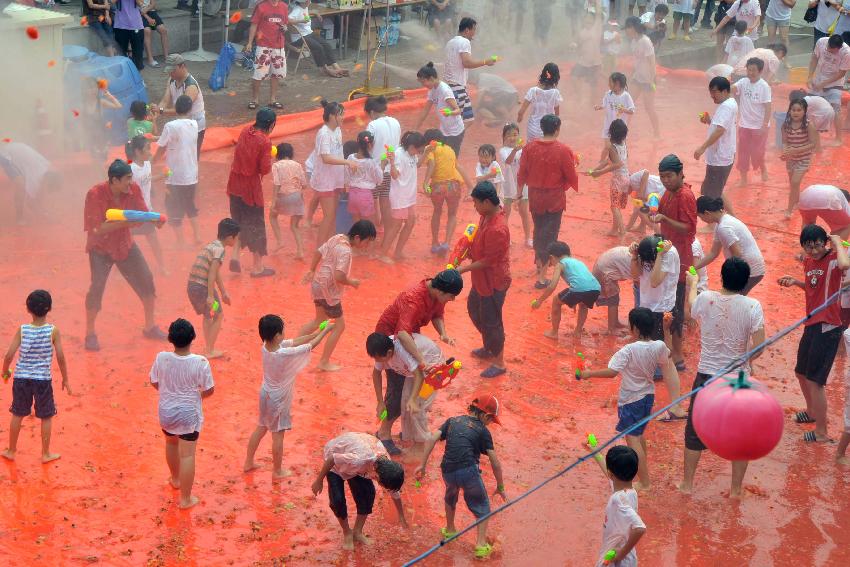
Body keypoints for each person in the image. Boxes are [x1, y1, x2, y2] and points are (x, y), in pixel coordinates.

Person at [680, 258, 766, 497]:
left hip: (707, 374)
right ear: (745, 282)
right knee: (741, 435)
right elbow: (760, 346)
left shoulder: (705, 298)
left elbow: (689, 310)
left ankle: (687, 484)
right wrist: (747, 362)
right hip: (738, 379)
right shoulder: (752, 306)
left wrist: (694, 282)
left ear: (722, 277)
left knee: (694, 430)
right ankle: (736, 489)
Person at [581, 307, 677, 490]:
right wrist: (666, 330)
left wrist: (588, 374)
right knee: (639, 437)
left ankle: (645, 482)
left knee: (632, 440)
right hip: (648, 397)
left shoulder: (628, 350)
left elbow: (611, 373)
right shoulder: (658, 346)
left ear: (635, 329)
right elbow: (669, 352)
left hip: (631, 399)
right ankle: (643, 473)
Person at [374, 270, 463, 454]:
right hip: (392, 341)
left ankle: (402, 430)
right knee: (397, 391)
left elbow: (437, 315)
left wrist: (443, 334)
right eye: (452, 296)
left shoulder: (436, 294)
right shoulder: (413, 299)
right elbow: (402, 334)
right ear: (441, 291)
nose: (452, 300)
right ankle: (383, 433)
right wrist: (421, 361)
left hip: (408, 340)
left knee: (407, 391)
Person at [83, 160, 165, 351]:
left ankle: (150, 326)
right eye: (127, 178)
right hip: (100, 248)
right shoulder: (95, 194)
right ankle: (90, 333)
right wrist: (127, 221)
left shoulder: (133, 189)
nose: (131, 182)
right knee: (97, 287)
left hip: (124, 244)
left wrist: (154, 220)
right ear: (114, 180)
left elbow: (143, 213)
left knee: (146, 278)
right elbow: (97, 228)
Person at [778, 226, 849, 443]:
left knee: (815, 381)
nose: (814, 250)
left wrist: (837, 241)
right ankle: (811, 412)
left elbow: (846, 265)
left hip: (828, 325)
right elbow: (813, 288)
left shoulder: (836, 258)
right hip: (812, 322)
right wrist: (796, 282)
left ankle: (821, 431)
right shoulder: (808, 262)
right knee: (801, 372)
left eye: (818, 244)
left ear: (824, 242)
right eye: (809, 246)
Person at [415, 393, 506, 560]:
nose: (491, 424)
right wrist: (500, 486)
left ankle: (450, 530)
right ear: (485, 415)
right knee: (482, 505)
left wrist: (422, 464)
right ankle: (480, 545)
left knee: (451, 494)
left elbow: (432, 438)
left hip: (447, 470)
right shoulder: (483, 430)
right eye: (492, 420)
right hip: (468, 471)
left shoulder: (452, 421)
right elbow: (495, 462)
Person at [244, 314, 333, 478]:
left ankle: (248, 462)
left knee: (261, 426)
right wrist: (326, 331)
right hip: (278, 399)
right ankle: (277, 471)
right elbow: (310, 345)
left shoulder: (267, 346)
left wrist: (318, 330)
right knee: (278, 434)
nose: (285, 333)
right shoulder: (282, 353)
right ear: (277, 335)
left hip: (265, 394)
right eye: (283, 330)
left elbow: (299, 341)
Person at [149, 319, 215, 509]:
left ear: (171, 338)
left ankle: (176, 479)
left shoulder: (162, 358)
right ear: (192, 338)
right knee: (187, 455)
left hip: (166, 412)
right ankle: (185, 499)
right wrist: (196, 398)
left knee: (170, 443)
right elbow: (209, 389)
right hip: (189, 415)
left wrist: (168, 393)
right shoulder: (201, 362)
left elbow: (154, 381)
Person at [1, 290, 70, 463]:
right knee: (46, 416)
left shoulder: (22, 330)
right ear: (50, 308)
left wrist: (5, 370)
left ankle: (11, 450)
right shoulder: (53, 331)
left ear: (28, 309)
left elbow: (9, 355)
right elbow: (60, 356)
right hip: (42, 381)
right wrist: (65, 378)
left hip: (21, 379)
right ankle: (45, 453)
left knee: (17, 413)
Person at [300, 220, 376, 371]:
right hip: (329, 291)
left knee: (319, 320)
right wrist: (351, 282)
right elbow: (339, 276)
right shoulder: (346, 251)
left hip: (318, 284)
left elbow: (318, 252)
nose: (367, 246)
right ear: (357, 237)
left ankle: (295, 344)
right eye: (367, 242)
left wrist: (312, 269)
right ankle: (324, 361)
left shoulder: (337, 237)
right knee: (339, 326)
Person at [311, 432, 406, 550]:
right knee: (337, 499)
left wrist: (401, 515)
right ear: (377, 474)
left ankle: (357, 532)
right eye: (381, 483)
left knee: (368, 494)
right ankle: (347, 533)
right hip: (336, 461)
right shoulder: (359, 460)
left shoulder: (386, 464)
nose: (380, 485)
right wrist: (318, 481)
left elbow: (393, 491)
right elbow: (332, 459)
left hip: (359, 460)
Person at [517, 114, 580, 289]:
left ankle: (539, 263)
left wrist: (518, 193)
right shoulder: (563, 150)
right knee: (550, 236)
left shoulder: (529, 148)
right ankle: (542, 277)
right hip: (554, 199)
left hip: (536, 197)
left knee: (539, 230)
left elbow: (522, 173)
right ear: (557, 129)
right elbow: (570, 176)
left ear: (542, 128)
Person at [456, 182, 511, 378]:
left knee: (492, 321)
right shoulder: (486, 216)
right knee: (474, 309)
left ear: (487, 202)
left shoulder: (498, 228)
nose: (475, 206)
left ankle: (499, 362)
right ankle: (490, 345)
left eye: (476, 203)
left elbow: (489, 261)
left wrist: (462, 268)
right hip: (482, 279)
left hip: (494, 281)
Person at [631, 236, 688, 420]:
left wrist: (661, 256)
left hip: (662, 311)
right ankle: (641, 401)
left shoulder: (669, 254)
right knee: (645, 356)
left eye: (649, 260)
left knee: (666, 361)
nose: (647, 263)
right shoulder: (648, 254)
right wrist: (634, 256)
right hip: (647, 308)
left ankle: (676, 407)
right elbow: (635, 276)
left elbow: (655, 280)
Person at [650, 155, 697, 374]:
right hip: (668, 253)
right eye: (662, 177)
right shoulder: (668, 193)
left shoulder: (685, 195)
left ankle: (677, 354)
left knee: (676, 306)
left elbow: (688, 228)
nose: (665, 180)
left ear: (680, 174)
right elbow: (660, 214)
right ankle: (668, 346)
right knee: (668, 302)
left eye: (669, 176)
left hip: (681, 256)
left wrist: (665, 220)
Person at [367, 332, 444, 456]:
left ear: (389, 353)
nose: (376, 361)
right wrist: (380, 402)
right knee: (405, 404)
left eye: (378, 358)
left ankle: (420, 446)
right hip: (414, 370)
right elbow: (376, 374)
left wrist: (413, 399)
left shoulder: (402, 352)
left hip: (432, 364)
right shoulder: (383, 350)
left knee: (417, 405)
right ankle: (414, 437)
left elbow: (419, 376)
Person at [227, 108, 277, 277]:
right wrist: (269, 156)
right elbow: (264, 169)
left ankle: (235, 255)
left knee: (239, 221)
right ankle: (257, 267)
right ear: (271, 125)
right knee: (256, 225)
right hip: (250, 188)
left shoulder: (245, 130)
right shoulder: (265, 142)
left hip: (234, 183)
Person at [187, 218, 240, 358]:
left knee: (208, 314)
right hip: (204, 289)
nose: (236, 241)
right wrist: (211, 296)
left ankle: (208, 347)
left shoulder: (212, 246)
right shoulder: (220, 250)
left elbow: (215, 272)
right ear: (230, 237)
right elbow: (212, 273)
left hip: (193, 287)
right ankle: (210, 350)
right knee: (218, 315)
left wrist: (223, 292)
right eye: (236, 238)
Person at [587, 445, 647, 566]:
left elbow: (640, 528)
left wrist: (621, 554)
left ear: (611, 474)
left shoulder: (618, 500)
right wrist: (595, 451)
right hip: (626, 556)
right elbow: (608, 472)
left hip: (616, 558)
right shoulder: (629, 490)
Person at [154, 95, 200, 248]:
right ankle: (197, 235)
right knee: (189, 205)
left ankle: (180, 241)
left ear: (176, 108)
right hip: (191, 174)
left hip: (175, 175)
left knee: (173, 208)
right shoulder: (194, 124)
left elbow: (161, 146)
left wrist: (153, 161)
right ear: (189, 109)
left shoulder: (170, 126)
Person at [694, 196, 765, 294]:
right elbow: (713, 253)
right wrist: (695, 267)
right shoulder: (721, 224)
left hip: (750, 269)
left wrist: (727, 274)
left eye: (701, 217)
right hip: (749, 266)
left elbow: (737, 254)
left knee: (733, 297)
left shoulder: (724, 227)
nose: (702, 220)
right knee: (735, 297)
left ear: (707, 213)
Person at [311, 100, 358, 248]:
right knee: (329, 216)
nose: (343, 118)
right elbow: (326, 158)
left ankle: (329, 244)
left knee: (332, 215)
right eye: (341, 115)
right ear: (332, 116)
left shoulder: (337, 130)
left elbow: (337, 153)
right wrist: (347, 163)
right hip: (325, 181)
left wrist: (343, 177)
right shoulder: (324, 134)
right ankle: (321, 247)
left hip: (335, 179)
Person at [534, 241, 602, 338]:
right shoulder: (578, 261)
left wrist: (540, 300)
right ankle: (578, 332)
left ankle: (554, 332)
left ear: (552, 257)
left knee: (556, 301)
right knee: (583, 305)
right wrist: (575, 299)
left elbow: (552, 286)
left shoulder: (560, 264)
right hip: (595, 288)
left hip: (579, 288)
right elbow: (583, 280)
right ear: (569, 254)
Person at [422, 129, 471, 255]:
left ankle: (434, 243)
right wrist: (470, 185)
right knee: (452, 214)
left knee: (437, 212)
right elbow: (458, 167)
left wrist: (426, 182)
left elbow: (432, 163)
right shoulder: (450, 149)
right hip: (453, 186)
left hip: (438, 186)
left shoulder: (431, 148)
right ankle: (447, 242)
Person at [381, 131, 427, 264]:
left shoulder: (411, 154)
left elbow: (417, 164)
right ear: (412, 147)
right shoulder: (399, 155)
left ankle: (398, 252)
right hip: (400, 196)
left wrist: (427, 152)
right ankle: (383, 253)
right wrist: (392, 162)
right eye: (419, 150)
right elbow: (394, 175)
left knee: (410, 222)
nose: (419, 152)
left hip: (409, 196)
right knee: (396, 225)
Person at [695, 77, 738, 212]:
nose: (712, 96)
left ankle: (712, 223)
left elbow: (720, 130)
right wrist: (709, 121)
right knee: (714, 189)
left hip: (720, 156)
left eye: (714, 92)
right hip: (722, 154)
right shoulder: (729, 104)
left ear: (725, 91)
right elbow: (720, 126)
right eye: (710, 92)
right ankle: (732, 216)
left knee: (711, 192)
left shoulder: (726, 107)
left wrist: (702, 147)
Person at [443, 17, 497, 124]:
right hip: (457, 87)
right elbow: (466, 63)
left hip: (452, 86)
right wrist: (486, 61)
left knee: (468, 121)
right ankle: (451, 139)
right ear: (467, 30)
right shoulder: (464, 42)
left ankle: (455, 139)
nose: (474, 34)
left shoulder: (450, 42)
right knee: (455, 122)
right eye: (474, 30)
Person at [125, 136, 166, 274]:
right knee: (125, 242)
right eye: (147, 148)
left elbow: (147, 180)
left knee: (153, 240)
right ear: (137, 151)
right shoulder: (131, 169)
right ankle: (119, 271)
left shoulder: (147, 164)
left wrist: (161, 176)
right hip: (133, 213)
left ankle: (162, 266)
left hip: (146, 209)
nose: (150, 151)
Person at [732, 57, 772, 186]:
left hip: (759, 126)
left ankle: (763, 167)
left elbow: (768, 107)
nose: (750, 73)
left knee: (757, 152)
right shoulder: (743, 82)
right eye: (749, 70)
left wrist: (764, 125)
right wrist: (725, 83)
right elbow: (733, 89)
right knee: (743, 152)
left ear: (760, 71)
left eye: (753, 70)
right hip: (744, 124)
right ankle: (743, 179)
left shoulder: (764, 86)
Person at [158, 54, 207, 158]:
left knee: (192, 154)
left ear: (182, 66)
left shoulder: (191, 86)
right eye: (169, 71)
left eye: (173, 70)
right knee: (179, 152)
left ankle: (194, 173)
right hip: (182, 121)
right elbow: (165, 99)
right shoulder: (171, 80)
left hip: (195, 124)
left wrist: (161, 111)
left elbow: (180, 109)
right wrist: (157, 110)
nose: (171, 73)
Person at [0, 142, 60, 225]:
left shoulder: (46, 169)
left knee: (30, 187)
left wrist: (42, 210)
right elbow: (30, 203)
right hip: (6, 155)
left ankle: (32, 213)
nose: (46, 189)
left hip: (15, 148)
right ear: (47, 181)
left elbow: (39, 193)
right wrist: (43, 215)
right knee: (20, 186)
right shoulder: (36, 175)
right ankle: (19, 218)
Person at [589, 119, 631, 237]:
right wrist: (595, 170)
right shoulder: (623, 144)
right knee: (616, 205)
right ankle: (614, 229)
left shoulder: (612, 147)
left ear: (611, 133)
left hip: (618, 179)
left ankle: (622, 231)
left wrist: (599, 172)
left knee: (614, 207)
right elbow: (610, 161)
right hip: (626, 178)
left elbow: (617, 164)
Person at [365, 96, 401, 229]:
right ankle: (387, 230)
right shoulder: (395, 122)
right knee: (385, 202)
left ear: (372, 112)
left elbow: (367, 145)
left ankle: (373, 230)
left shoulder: (372, 125)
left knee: (373, 202)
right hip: (390, 169)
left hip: (376, 170)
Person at [807, 34, 850, 147]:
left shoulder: (846, 52)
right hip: (819, 78)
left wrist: (824, 84)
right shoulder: (821, 42)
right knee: (806, 105)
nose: (830, 51)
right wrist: (810, 76)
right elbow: (814, 58)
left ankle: (838, 138)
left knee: (836, 108)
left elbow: (842, 73)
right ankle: (807, 134)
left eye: (833, 51)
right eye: (828, 49)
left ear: (839, 48)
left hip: (835, 82)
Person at [288, 0, 349, 78]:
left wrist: (315, 13)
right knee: (318, 47)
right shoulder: (296, 9)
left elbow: (304, 13)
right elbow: (288, 20)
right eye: (308, 1)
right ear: (303, 2)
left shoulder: (304, 8)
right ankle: (324, 69)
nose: (309, 2)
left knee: (326, 44)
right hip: (299, 38)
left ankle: (336, 67)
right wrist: (301, 21)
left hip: (308, 34)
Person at [246, 0, 289, 110]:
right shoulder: (261, 6)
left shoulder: (284, 6)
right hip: (263, 45)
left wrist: (285, 28)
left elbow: (285, 23)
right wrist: (250, 42)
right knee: (259, 73)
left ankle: (273, 99)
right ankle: (255, 99)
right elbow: (254, 25)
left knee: (276, 73)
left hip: (278, 45)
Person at [416, 62, 465, 157]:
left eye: (423, 82)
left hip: (455, 132)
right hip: (444, 130)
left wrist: (450, 112)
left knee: (451, 159)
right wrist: (415, 129)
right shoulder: (432, 90)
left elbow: (458, 110)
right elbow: (425, 111)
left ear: (431, 79)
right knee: (441, 156)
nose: (423, 85)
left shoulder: (445, 91)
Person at [781, 98, 820, 217]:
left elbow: (813, 144)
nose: (796, 112)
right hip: (791, 159)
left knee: (795, 182)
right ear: (789, 111)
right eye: (793, 110)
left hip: (804, 159)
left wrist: (796, 150)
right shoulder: (785, 125)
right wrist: (785, 152)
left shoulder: (808, 125)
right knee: (793, 184)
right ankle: (797, 202)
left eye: (799, 110)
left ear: (804, 111)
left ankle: (789, 210)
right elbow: (785, 142)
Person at [269, 142, 309, 256]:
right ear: (291, 154)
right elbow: (304, 185)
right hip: (297, 197)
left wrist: (273, 201)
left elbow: (277, 183)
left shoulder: (276, 165)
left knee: (272, 216)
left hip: (283, 196)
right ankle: (300, 251)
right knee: (294, 226)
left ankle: (280, 241)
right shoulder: (297, 165)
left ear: (278, 154)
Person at [624, 17, 661, 139]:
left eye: (627, 28)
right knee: (629, 104)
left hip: (648, 79)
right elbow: (637, 61)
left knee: (649, 107)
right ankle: (623, 132)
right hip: (637, 77)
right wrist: (631, 76)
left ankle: (657, 133)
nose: (626, 31)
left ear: (633, 28)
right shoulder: (633, 42)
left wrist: (652, 80)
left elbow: (651, 62)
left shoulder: (645, 41)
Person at [344, 132, 383, 237]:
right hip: (365, 195)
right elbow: (379, 179)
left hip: (352, 194)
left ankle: (356, 242)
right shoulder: (371, 162)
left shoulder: (350, 158)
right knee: (367, 224)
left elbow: (346, 178)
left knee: (356, 223)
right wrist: (382, 166)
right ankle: (367, 245)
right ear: (370, 145)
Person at [498, 123, 532, 245]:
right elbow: (508, 161)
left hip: (522, 185)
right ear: (504, 137)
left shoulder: (523, 149)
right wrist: (515, 150)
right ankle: (506, 239)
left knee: (524, 212)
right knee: (506, 213)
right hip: (508, 185)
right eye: (509, 135)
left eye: (515, 134)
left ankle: (528, 238)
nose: (512, 138)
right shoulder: (503, 150)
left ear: (518, 135)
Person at [592, 246, 635, 333]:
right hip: (604, 271)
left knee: (615, 297)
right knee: (612, 299)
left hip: (604, 265)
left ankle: (615, 323)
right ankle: (611, 329)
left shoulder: (636, 253)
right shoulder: (637, 260)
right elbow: (637, 276)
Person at [518, 63, 563, 142]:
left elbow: (521, 111)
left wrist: (519, 118)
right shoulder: (555, 93)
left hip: (533, 128)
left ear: (543, 74)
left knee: (531, 148)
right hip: (548, 129)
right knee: (547, 149)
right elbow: (557, 114)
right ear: (556, 77)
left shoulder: (533, 91)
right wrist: (556, 127)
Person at [574, 3, 606, 105]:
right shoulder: (582, 32)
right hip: (583, 62)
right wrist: (574, 46)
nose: (588, 20)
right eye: (586, 18)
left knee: (593, 86)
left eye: (590, 18)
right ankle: (579, 97)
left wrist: (597, 2)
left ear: (593, 21)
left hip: (594, 63)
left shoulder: (596, 28)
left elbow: (598, 14)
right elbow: (579, 46)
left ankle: (592, 105)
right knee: (574, 77)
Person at [624, 168, 666, 234]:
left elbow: (646, 172)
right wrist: (627, 228)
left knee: (644, 212)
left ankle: (659, 233)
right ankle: (642, 227)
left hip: (661, 190)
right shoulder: (634, 191)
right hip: (658, 193)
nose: (625, 193)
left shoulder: (631, 179)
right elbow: (636, 211)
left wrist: (641, 192)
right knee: (642, 208)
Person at [596, 72, 636, 140]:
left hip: (620, 128)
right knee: (608, 147)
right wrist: (600, 107)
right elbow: (605, 104)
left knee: (619, 148)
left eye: (610, 82)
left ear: (617, 84)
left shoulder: (626, 96)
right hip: (608, 126)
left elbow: (632, 111)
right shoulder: (608, 94)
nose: (608, 84)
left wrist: (624, 110)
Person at [112, 0, 145, 70]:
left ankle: (137, 75)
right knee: (120, 52)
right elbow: (111, 2)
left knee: (138, 53)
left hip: (136, 25)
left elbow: (141, 4)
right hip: (120, 25)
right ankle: (123, 74)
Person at [141, 0, 169, 68]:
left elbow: (153, 4)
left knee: (163, 30)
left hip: (151, 12)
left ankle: (167, 57)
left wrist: (147, 9)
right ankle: (150, 59)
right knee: (147, 31)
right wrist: (147, 17)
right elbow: (138, 6)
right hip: (140, 14)